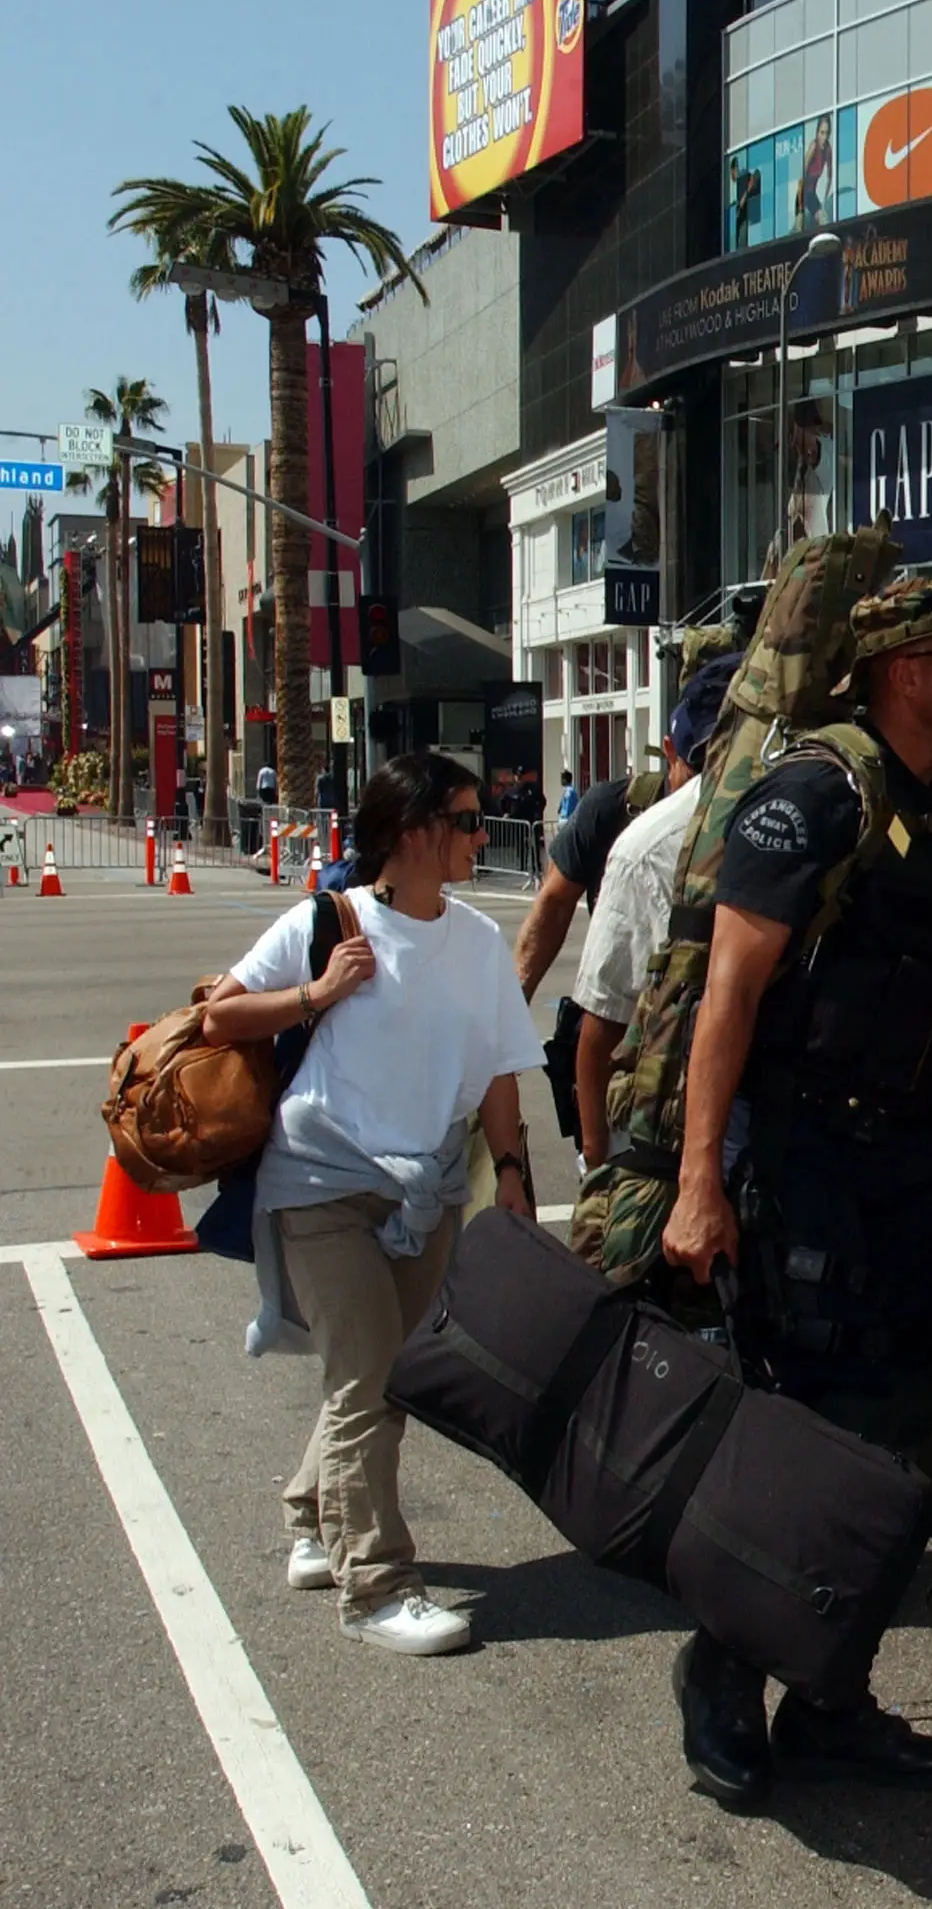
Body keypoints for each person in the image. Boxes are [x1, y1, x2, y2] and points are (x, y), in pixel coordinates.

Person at [656, 574, 932, 1807]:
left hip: (910, 1168)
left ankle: (831, 1700)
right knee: (814, 1442)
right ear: (903, 671)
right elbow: (728, 1000)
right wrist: (700, 1181)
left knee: (896, 1439)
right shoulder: (814, 795)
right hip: (808, 1166)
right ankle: (722, 1678)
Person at [200, 753, 543, 1659]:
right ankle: (377, 1584)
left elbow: (501, 1063)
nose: (481, 834)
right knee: (369, 1377)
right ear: (411, 832)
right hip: (320, 1183)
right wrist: (317, 992)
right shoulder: (328, 921)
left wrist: (510, 1172)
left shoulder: (473, 939)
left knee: (389, 1371)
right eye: (466, 821)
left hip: (424, 1187)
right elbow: (217, 1019)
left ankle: (313, 1513)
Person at [568, 656, 744, 1169]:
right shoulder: (646, 842)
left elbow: (600, 1025)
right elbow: (600, 1028)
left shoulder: (648, 842)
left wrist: (597, 1161)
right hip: (670, 1134)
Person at [513, 758, 663, 1000]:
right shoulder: (615, 806)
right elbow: (554, 904)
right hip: (617, 1000)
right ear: (671, 751)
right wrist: (513, 1009)